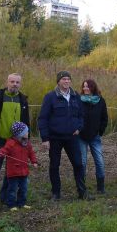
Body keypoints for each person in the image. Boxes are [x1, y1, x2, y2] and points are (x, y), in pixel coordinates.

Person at [38, 71, 90, 200]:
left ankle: (82, 192)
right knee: (54, 165)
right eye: (63, 79)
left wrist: (79, 127)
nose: (66, 81)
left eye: (68, 79)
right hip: (55, 137)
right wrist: (45, 138)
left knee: (78, 164)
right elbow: (43, 118)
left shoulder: (75, 96)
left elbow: (81, 115)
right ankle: (56, 193)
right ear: (58, 81)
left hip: (72, 137)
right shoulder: (50, 97)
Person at [0, 73, 30, 205]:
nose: (15, 84)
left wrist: (26, 140)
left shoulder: (23, 99)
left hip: (16, 143)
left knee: (12, 172)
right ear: (7, 82)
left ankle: (5, 196)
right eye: (12, 81)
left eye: (17, 82)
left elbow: (26, 122)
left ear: (20, 84)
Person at [0, 122, 38, 210]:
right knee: (12, 190)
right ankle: (11, 204)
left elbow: (31, 153)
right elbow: (4, 150)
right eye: (26, 132)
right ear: (20, 134)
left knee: (23, 189)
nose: (27, 133)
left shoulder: (27, 143)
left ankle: (21, 203)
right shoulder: (11, 143)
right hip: (13, 172)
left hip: (24, 171)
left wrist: (34, 161)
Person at [78, 79, 109, 194]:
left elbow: (104, 118)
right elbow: (75, 117)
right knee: (83, 162)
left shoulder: (101, 101)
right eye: (84, 86)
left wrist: (100, 131)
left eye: (87, 86)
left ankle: (101, 188)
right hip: (81, 137)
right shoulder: (78, 100)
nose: (85, 88)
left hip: (95, 137)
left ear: (93, 87)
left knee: (99, 162)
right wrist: (77, 130)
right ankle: (82, 187)